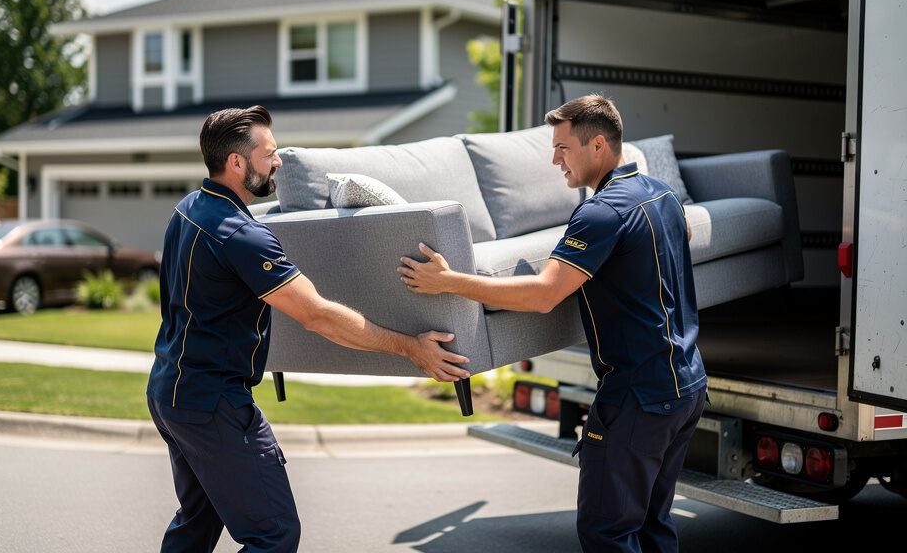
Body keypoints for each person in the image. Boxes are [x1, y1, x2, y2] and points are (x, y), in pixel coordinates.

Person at [147, 105, 471, 552]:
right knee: (274, 534)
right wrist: (411, 347)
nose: (277, 161)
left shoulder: (188, 210)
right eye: (269, 154)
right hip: (212, 402)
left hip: (170, 392)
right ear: (236, 162)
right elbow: (316, 315)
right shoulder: (240, 234)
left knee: (197, 522)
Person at [397, 94, 707, 552]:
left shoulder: (601, 213)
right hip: (687, 386)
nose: (555, 159)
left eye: (563, 147)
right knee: (653, 526)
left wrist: (449, 281)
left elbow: (544, 295)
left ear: (597, 145)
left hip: (639, 398)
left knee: (608, 532)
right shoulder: (662, 195)